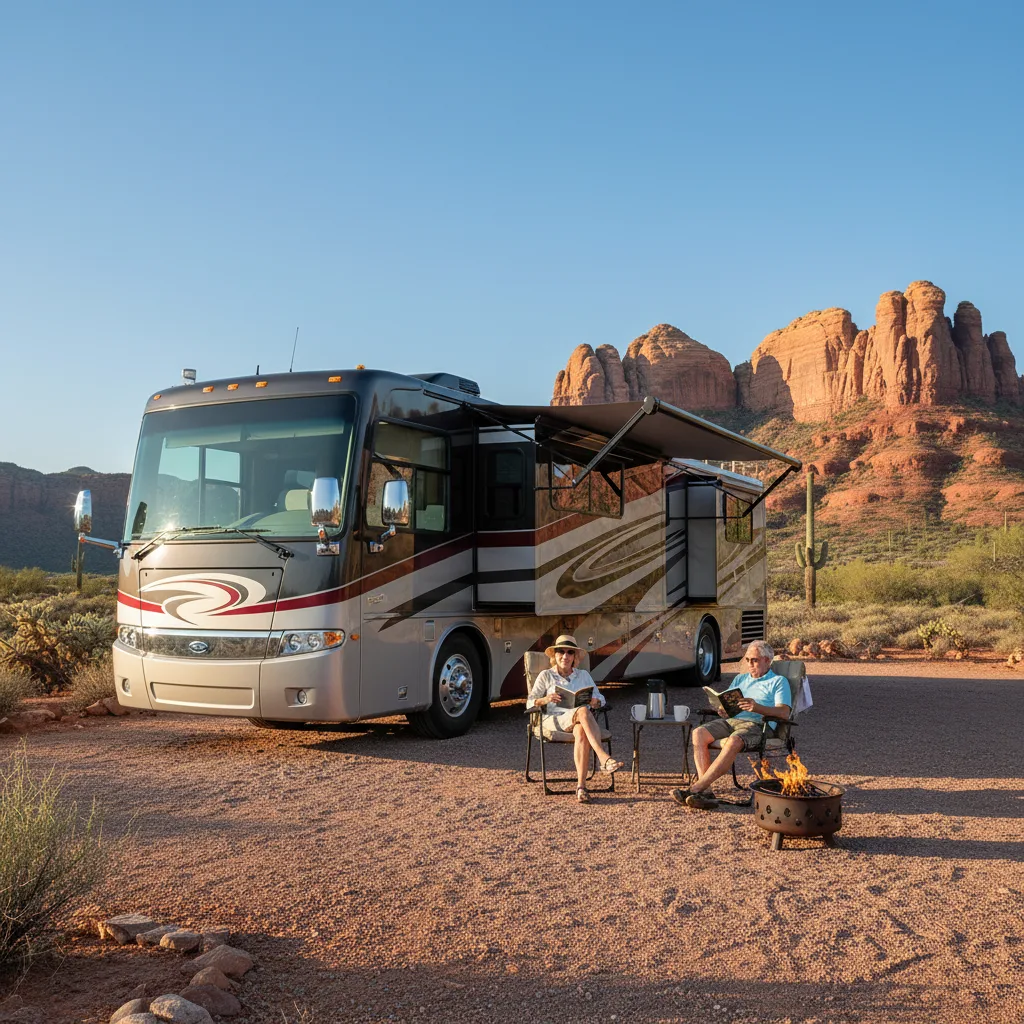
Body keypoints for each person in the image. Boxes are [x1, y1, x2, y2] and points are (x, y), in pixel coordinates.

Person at [671, 640, 791, 810]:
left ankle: (696, 789)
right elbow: (730, 704)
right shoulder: (740, 679)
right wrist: (723, 710)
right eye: (748, 660)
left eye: (754, 660)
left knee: (734, 741)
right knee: (699, 733)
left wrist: (757, 707)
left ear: (767, 660)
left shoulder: (778, 682)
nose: (750, 664)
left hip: (757, 725)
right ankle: (707, 794)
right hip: (732, 721)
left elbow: (784, 713)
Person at [527, 634, 623, 803]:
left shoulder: (583, 675)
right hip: (554, 720)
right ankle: (603, 758)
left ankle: (581, 787)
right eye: (561, 652)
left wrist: (595, 702)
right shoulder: (546, 675)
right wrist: (546, 699)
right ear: (554, 655)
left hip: (580, 722)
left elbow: (601, 698)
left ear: (575, 657)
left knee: (581, 729)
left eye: (570, 652)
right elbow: (529, 702)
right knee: (583, 712)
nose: (565, 656)